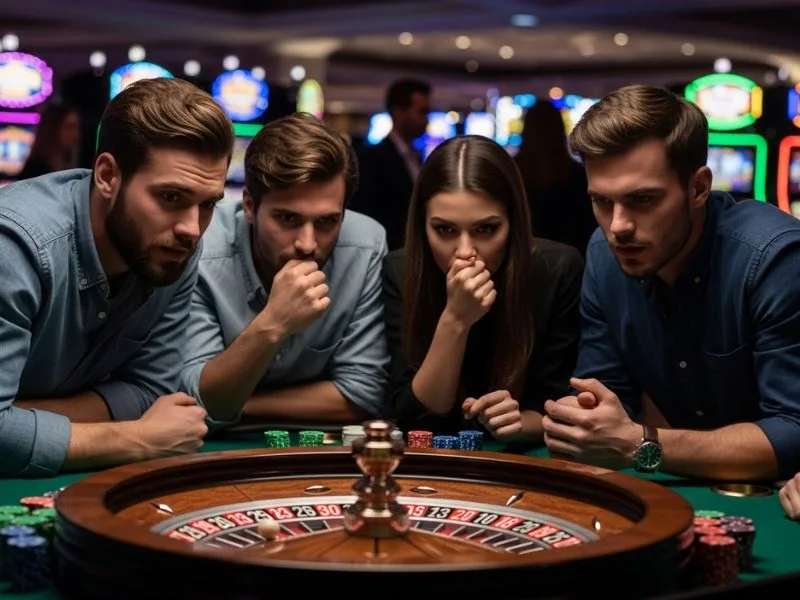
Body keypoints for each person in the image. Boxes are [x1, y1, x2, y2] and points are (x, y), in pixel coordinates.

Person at [542, 84, 800, 481]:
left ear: (698, 188)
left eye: (643, 200)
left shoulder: (774, 258)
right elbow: (601, 396)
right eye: (602, 201)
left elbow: (793, 430)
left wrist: (643, 443)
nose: (618, 227)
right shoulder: (603, 254)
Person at [0, 77, 235, 478]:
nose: (193, 229)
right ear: (107, 175)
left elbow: (150, 391)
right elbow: (147, 421)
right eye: (171, 197)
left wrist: (18, 422)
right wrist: (137, 438)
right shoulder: (15, 245)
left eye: (208, 204)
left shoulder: (170, 247)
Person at [180, 113, 389, 426]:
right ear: (249, 206)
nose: (307, 244)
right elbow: (195, 396)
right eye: (288, 219)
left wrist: (240, 402)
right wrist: (273, 323)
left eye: (327, 221)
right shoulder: (201, 251)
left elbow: (362, 394)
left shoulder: (365, 247)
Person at [383, 134, 584, 440]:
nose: (465, 251)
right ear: (422, 226)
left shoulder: (556, 270)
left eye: (486, 229)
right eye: (445, 229)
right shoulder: (401, 270)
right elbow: (415, 416)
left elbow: (560, 404)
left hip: (524, 461)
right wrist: (456, 319)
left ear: (512, 224)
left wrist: (520, 422)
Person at [350, 78, 431, 251]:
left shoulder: (417, 156)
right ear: (398, 112)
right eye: (422, 112)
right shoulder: (371, 159)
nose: (426, 120)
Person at [514, 99, 597, 257]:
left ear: (526, 130)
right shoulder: (578, 174)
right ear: (560, 130)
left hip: (523, 258)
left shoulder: (513, 172)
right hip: (573, 258)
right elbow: (587, 227)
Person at [18, 103, 81, 179]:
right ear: (51, 129)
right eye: (70, 127)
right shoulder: (35, 172)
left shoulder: (72, 168)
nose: (76, 134)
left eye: (77, 128)